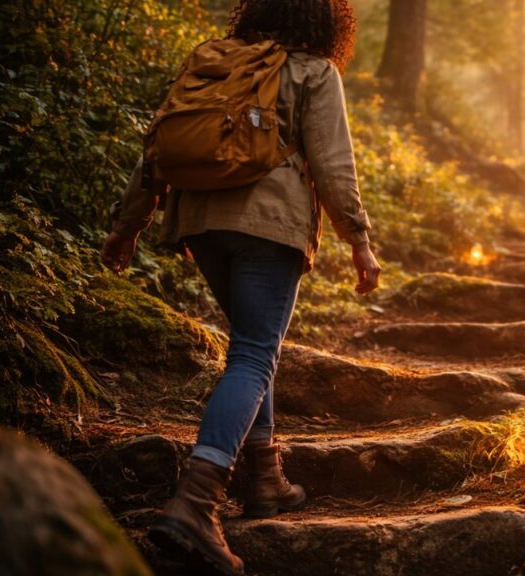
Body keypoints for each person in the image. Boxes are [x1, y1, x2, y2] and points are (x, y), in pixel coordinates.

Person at [100, 1, 379, 575]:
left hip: (200, 223)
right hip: (267, 226)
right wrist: (359, 239)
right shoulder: (312, 70)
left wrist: (127, 227)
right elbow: (332, 163)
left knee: (250, 347)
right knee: (254, 354)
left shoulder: (209, 62)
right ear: (325, 22)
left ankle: (265, 478)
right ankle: (196, 501)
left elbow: (155, 152)